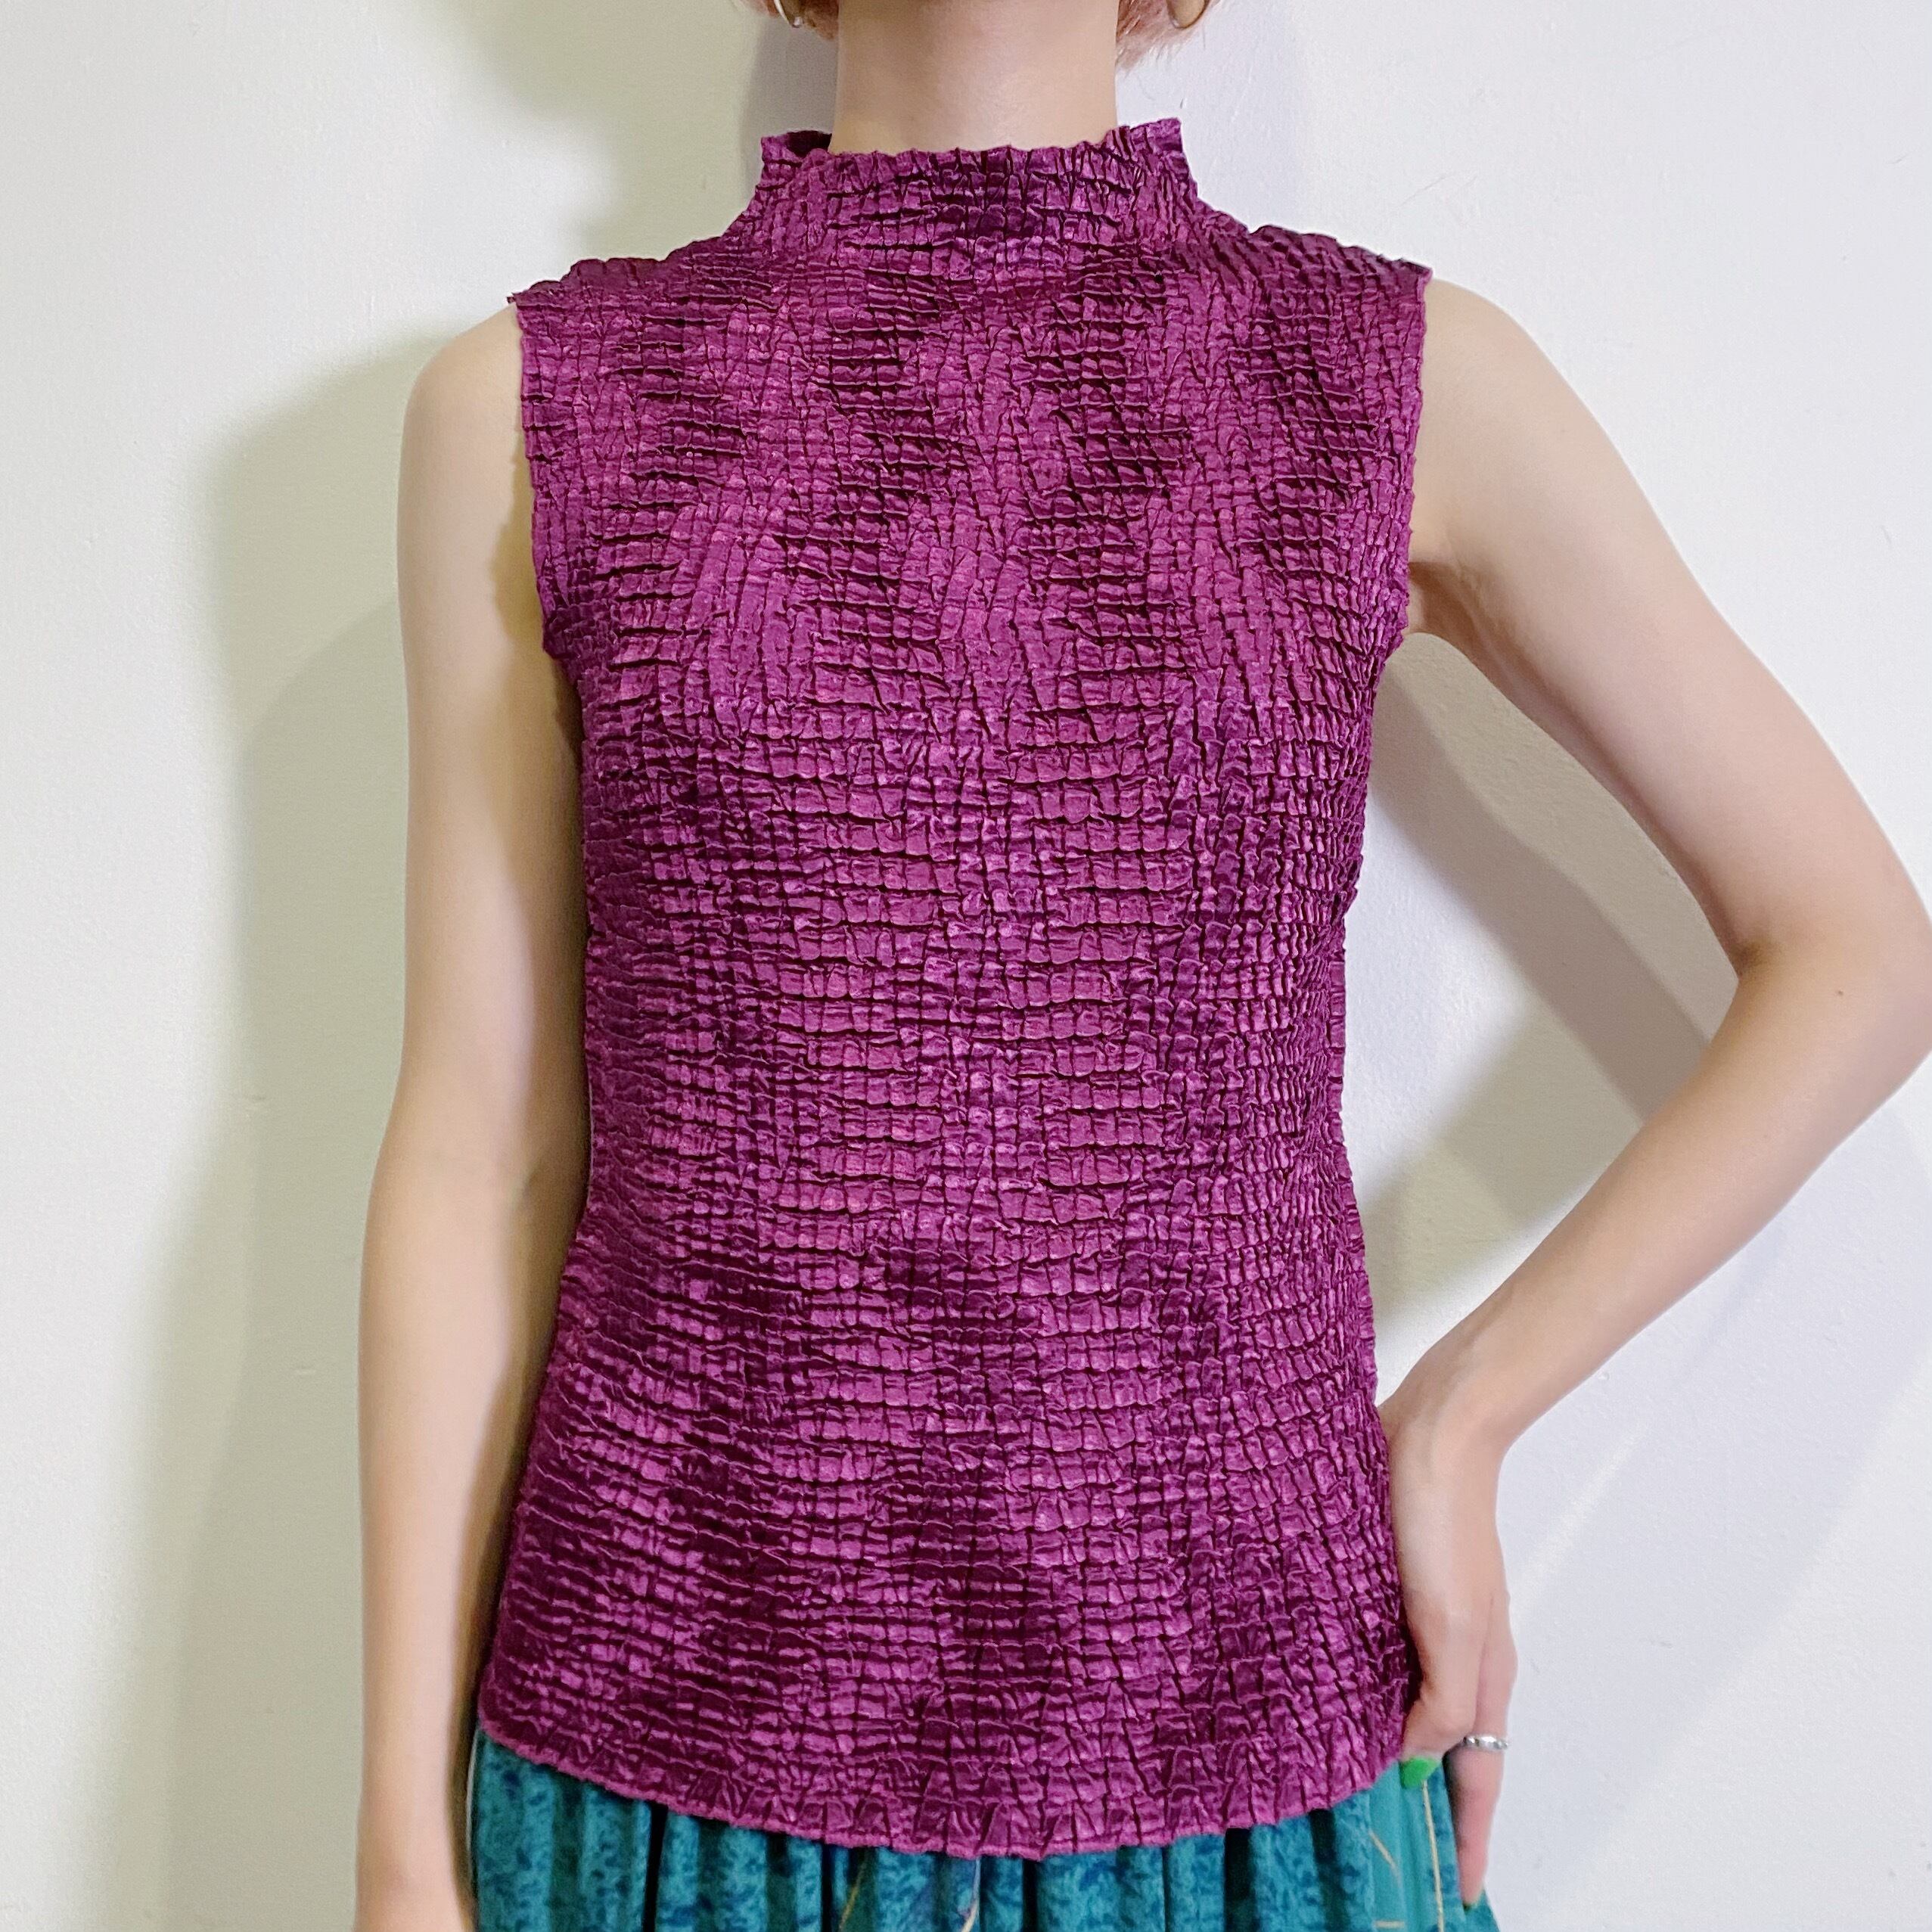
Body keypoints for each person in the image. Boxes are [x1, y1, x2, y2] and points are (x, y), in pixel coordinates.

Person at [352, 2, 1932, 1929]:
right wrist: (398, 1828)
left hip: (1242, 1719)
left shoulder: (1387, 375)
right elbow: (481, 1140)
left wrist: (1463, 1411)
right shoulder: (543, 401)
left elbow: (1851, 949)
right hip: (662, 1735)